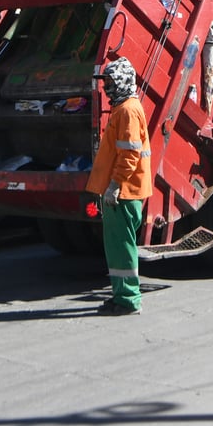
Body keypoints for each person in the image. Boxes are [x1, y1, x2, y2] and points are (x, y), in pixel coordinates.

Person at [86, 57, 152, 316]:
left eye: (111, 82)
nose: (106, 87)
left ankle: (128, 300)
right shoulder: (123, 108)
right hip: (120, 192)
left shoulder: (127, 111)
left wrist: (114, 186)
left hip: (124, 193)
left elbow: (129, 155)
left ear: (123, 81)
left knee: (122, 247)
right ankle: (121, 295)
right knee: (117, 247)